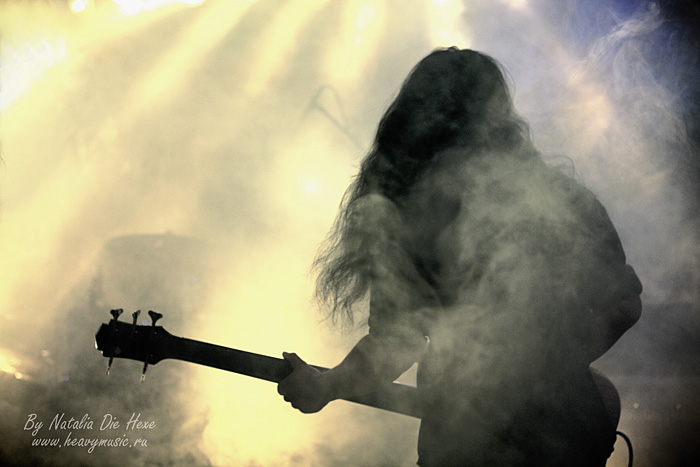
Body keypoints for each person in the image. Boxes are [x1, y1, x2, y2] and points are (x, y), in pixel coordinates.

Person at [277, 47, 643, 466]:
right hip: (529, 433)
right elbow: (623, 306)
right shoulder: (561, 197)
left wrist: (530, 381)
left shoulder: (411, 210)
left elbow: (396, 342)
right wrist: (555, 372)